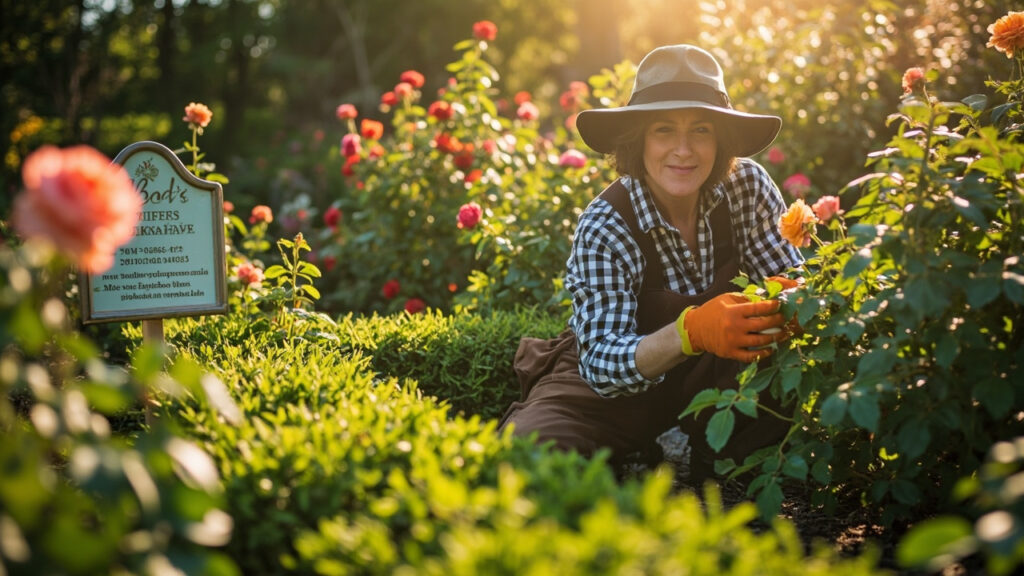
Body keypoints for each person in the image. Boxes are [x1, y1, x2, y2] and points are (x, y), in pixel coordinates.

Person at [499, 44, 804, 478]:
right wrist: (691, 330)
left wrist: (793, 301)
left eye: (701, 129)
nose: (683, 150)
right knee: (529, 451)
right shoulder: (606, 223)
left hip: (718, 371)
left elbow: (789, 280)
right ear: (638, 138)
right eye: (664, 130)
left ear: (720, 139)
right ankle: (633, 449)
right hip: (613, 381)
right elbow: (602, 362)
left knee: (750, 460)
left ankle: (710, 458)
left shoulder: (747, 187)